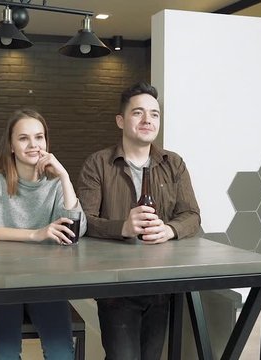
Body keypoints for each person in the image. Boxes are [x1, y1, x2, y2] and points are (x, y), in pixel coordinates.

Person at [77, 81, 201, 360]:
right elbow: (83, 221)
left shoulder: (174, 163)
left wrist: (169, 229)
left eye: (154, 114)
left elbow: (192, 215)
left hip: (161, 285)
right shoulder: (97, 164)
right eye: (138, 113)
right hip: (115, 289)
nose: (148, 120)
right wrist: (121, 226)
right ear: (121, 120)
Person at [0, 108, 87, 359]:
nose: (33, 144)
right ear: (11, 145)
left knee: (61, 353)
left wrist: (65, 177)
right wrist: (36, 234)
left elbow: (76, 229)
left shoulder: (56, 184)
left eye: (39, 137)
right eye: (24, 138)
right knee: (5, 353)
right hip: (1, 283)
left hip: (46, 282)